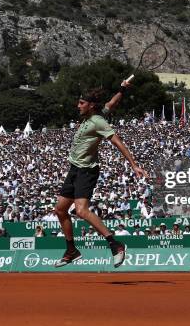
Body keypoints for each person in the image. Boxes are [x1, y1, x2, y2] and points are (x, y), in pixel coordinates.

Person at [54, 82, 147, 268]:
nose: (78, 106)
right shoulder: (94, 115)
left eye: (81, 103)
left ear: (90, 105)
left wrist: (134, 165)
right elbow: (111, 104)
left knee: (81, 210)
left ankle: (116, 245)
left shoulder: (98, 121)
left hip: (87, 170)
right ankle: (71, 250)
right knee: (60, 210)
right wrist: (122, 89)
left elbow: (117, 142)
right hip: (74, 168)